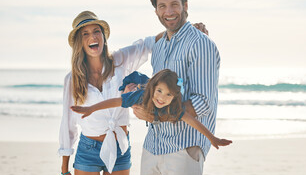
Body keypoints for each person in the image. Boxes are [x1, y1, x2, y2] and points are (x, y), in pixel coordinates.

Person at [58, 10, 208, 175]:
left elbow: (148, 44)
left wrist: (187, 31)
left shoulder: (120, 60)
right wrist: (65, 168)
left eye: (96, 31)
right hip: (88, 150)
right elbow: (68, 125)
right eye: (85, 34)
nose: (93, 37)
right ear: (79, 43)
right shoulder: (72, 79)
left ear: (103, 36)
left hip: (120, 148)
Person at [132, 0, 222, 175]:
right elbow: (160, 93)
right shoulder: (159, 47)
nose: (169, 11)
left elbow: (203, 102)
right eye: (162, 6)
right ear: (156, 10)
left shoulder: (201, 44)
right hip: (153, 145)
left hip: (184, 147)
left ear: (185, 5)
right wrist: (140, 103)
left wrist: (155, 114)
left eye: (174, 4)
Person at [70, 69, 232, 149]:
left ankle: (161, 87)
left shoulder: (173, 108)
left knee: (169, 88)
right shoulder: (140, 96)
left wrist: (212, 138)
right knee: (139, 84)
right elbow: (115, 101)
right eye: (160, 91)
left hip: (154, 88)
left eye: (168, 95)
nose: (162, 98)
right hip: (141, 84)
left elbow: (192, 121)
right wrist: (91, 108)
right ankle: (145, 84)